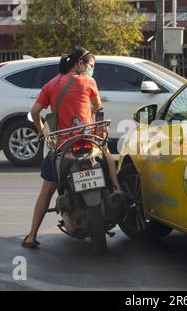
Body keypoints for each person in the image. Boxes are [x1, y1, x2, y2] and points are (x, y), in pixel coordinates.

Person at [22, 47, 119, 248]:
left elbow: (35, 111)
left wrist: (44, 132)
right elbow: (98, 106)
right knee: (108, 154)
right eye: (90, 66)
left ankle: (31, 236)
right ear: (79, 64)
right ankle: (116, 188)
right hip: (88, 140)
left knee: (47, 190)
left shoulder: (50, 85)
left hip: (62, 144)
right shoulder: (89, 82)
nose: (91, 70)